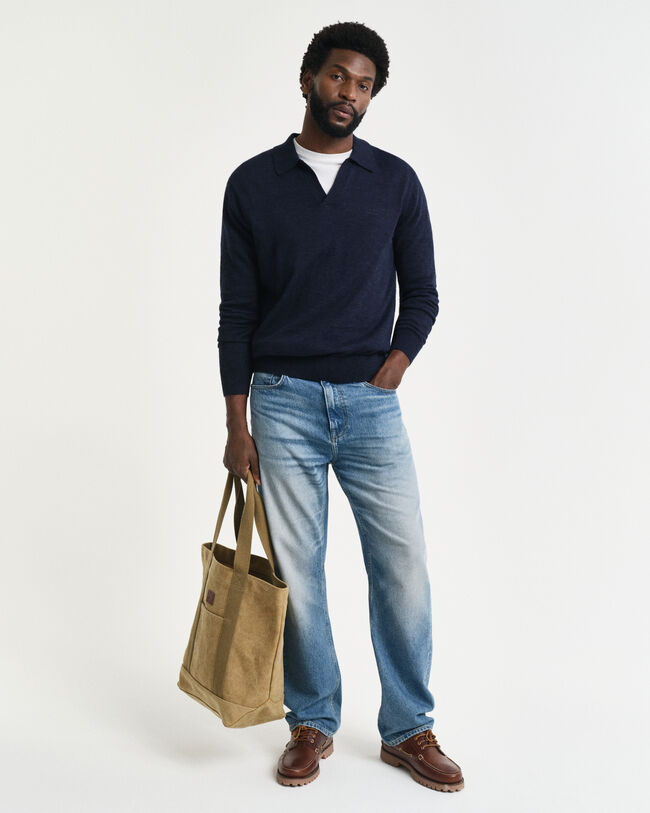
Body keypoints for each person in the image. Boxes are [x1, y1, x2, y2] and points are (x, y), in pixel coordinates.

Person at [217, 21, 464, 792]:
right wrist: (235, 422)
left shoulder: (395, 182)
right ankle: (312, 720)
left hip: (370, 405)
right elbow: (236, 312)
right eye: (337, 76)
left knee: (403, 564)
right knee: (299, 571)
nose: (348, 92)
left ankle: (409, 726)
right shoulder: (252, 184)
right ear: (307, 79)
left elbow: (423, 295)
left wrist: (392, 367)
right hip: (280, 403)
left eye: (363, 84)